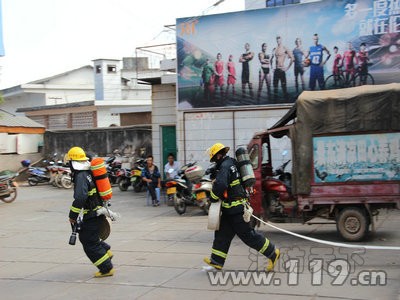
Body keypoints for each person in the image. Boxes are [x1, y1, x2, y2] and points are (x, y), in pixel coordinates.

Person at [203, 143, 280, 272]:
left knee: (248, 236)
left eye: (214, 158)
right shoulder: (232, 163)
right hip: (230, 209)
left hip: (236, 209)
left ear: (218, 156)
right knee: (222, 234)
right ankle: (217, 261)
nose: (214, 161)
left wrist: (213, 197)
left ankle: (273, 253)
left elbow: (221, 185)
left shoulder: (225, 166)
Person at [67, 146, 114, 278]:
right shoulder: (87, 172)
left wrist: (72, 216)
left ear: (72, 162)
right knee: (88, 236)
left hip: (92, 212)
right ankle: (105, 251)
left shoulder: (81, 175)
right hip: (97, 210)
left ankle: (106, 268)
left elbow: (80, 197)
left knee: (88, 242)